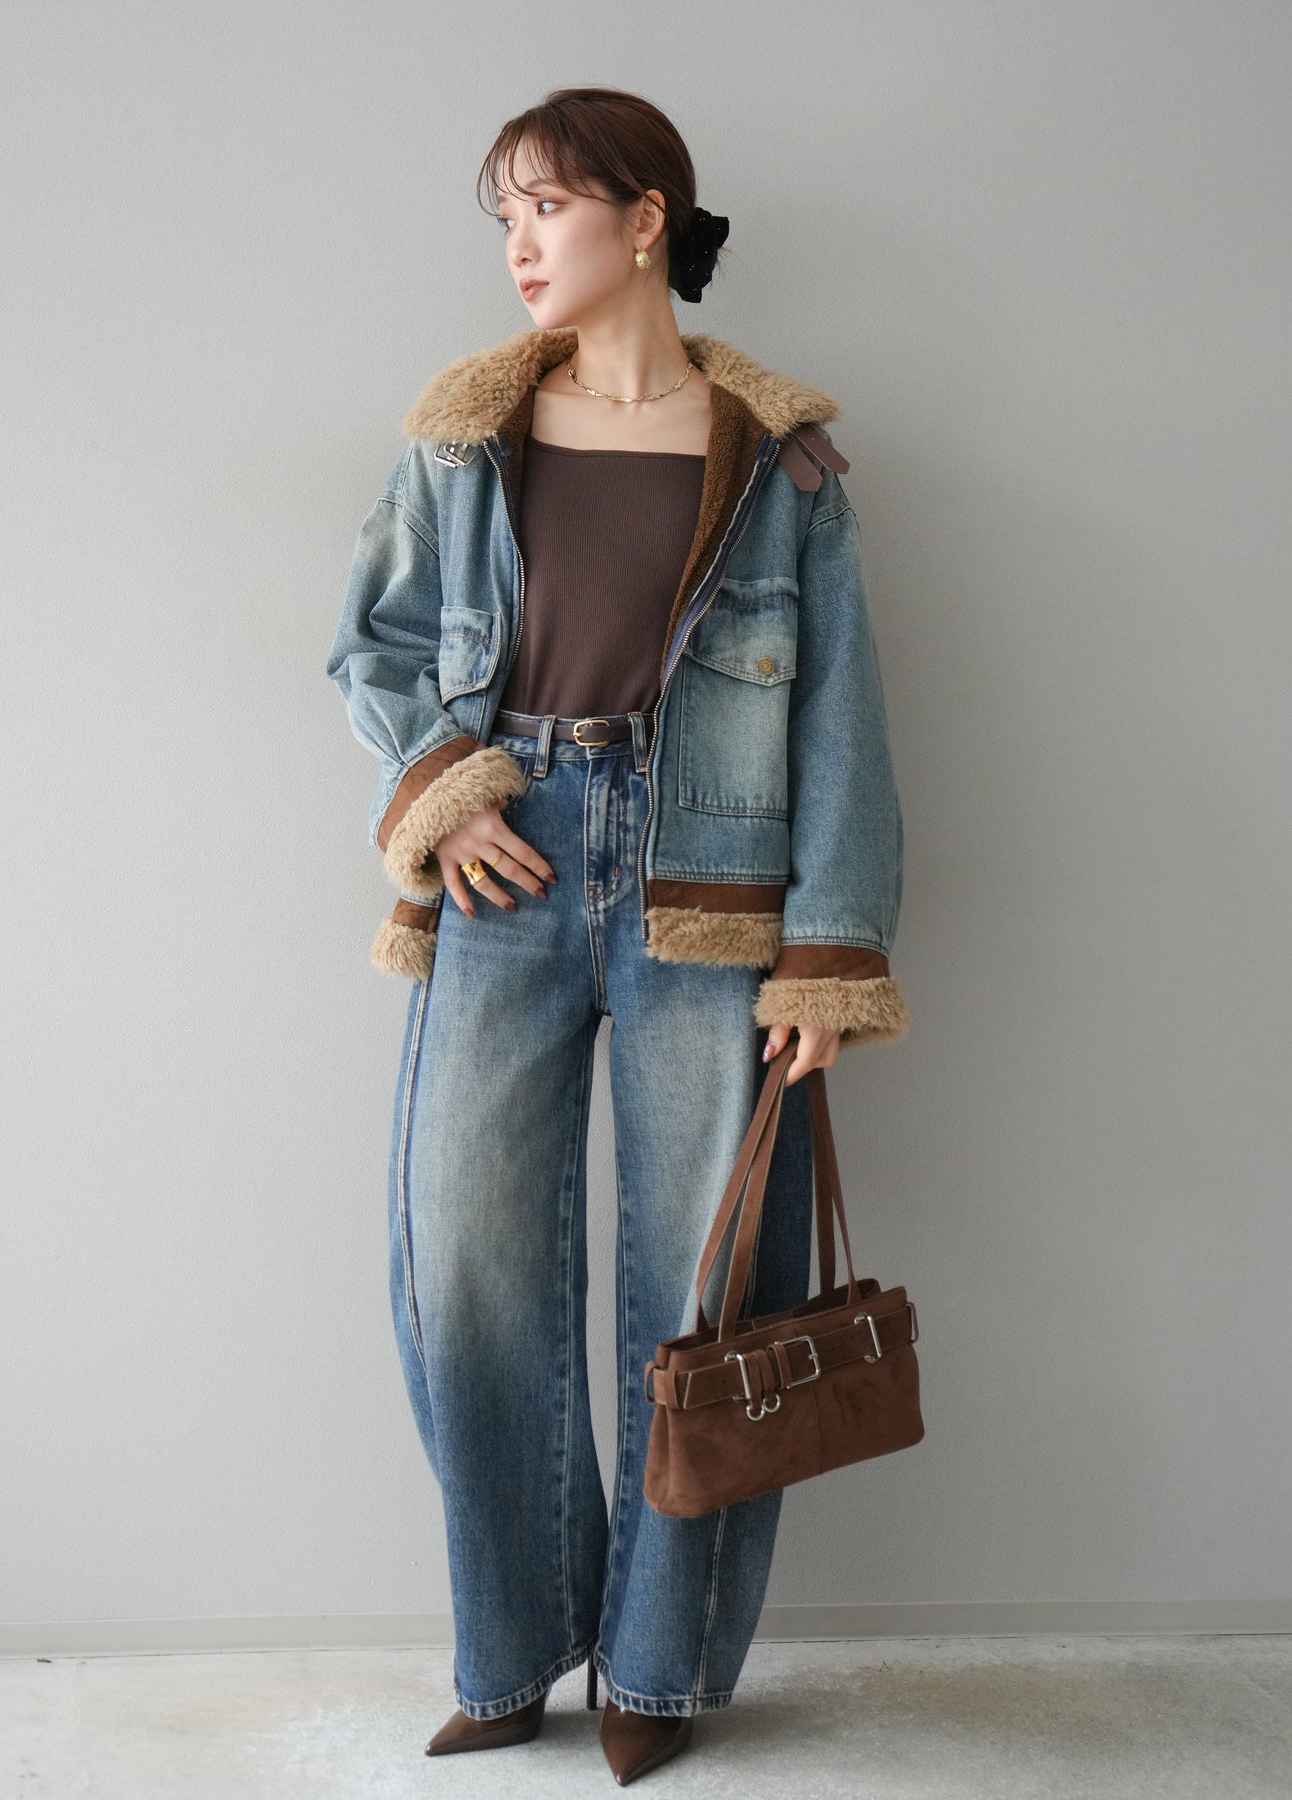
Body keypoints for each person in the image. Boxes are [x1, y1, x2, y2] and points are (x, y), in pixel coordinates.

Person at [326, 84, 909, 1787]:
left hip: (710, 900)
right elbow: (370, 647)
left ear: (644, 218)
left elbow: (840, 724)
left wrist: (829, 950)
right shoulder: (461, 443)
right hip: (506, 877)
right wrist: (448, 800)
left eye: (547, 208)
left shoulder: (778, 464)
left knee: (705, 1294)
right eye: (503, 217)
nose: (519, 245)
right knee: (464, 1271)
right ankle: (511, 1652)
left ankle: (656, 1669)